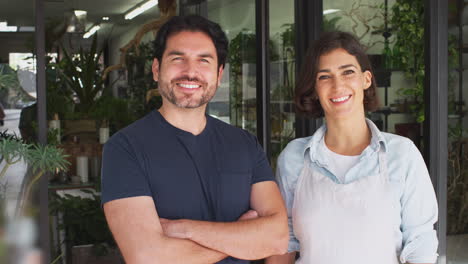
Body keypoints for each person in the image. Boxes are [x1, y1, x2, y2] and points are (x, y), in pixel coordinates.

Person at [101, 15, 288, 264]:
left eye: (204, 61)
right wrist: (245, 241)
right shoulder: (125, 148)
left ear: (219, 74)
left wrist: (185, 229)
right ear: (156, 69)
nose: (190, 72)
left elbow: (277, 238)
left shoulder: (245, 144)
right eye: (178, 59)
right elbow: (147, 257)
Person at [266, 31, 438, 264]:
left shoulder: (402, 154)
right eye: (324, 77)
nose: (338, 85)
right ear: (314, 89)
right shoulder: (294, 158)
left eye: (348, 72)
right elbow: (282, 243)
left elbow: (421, 245)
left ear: (366, 79)